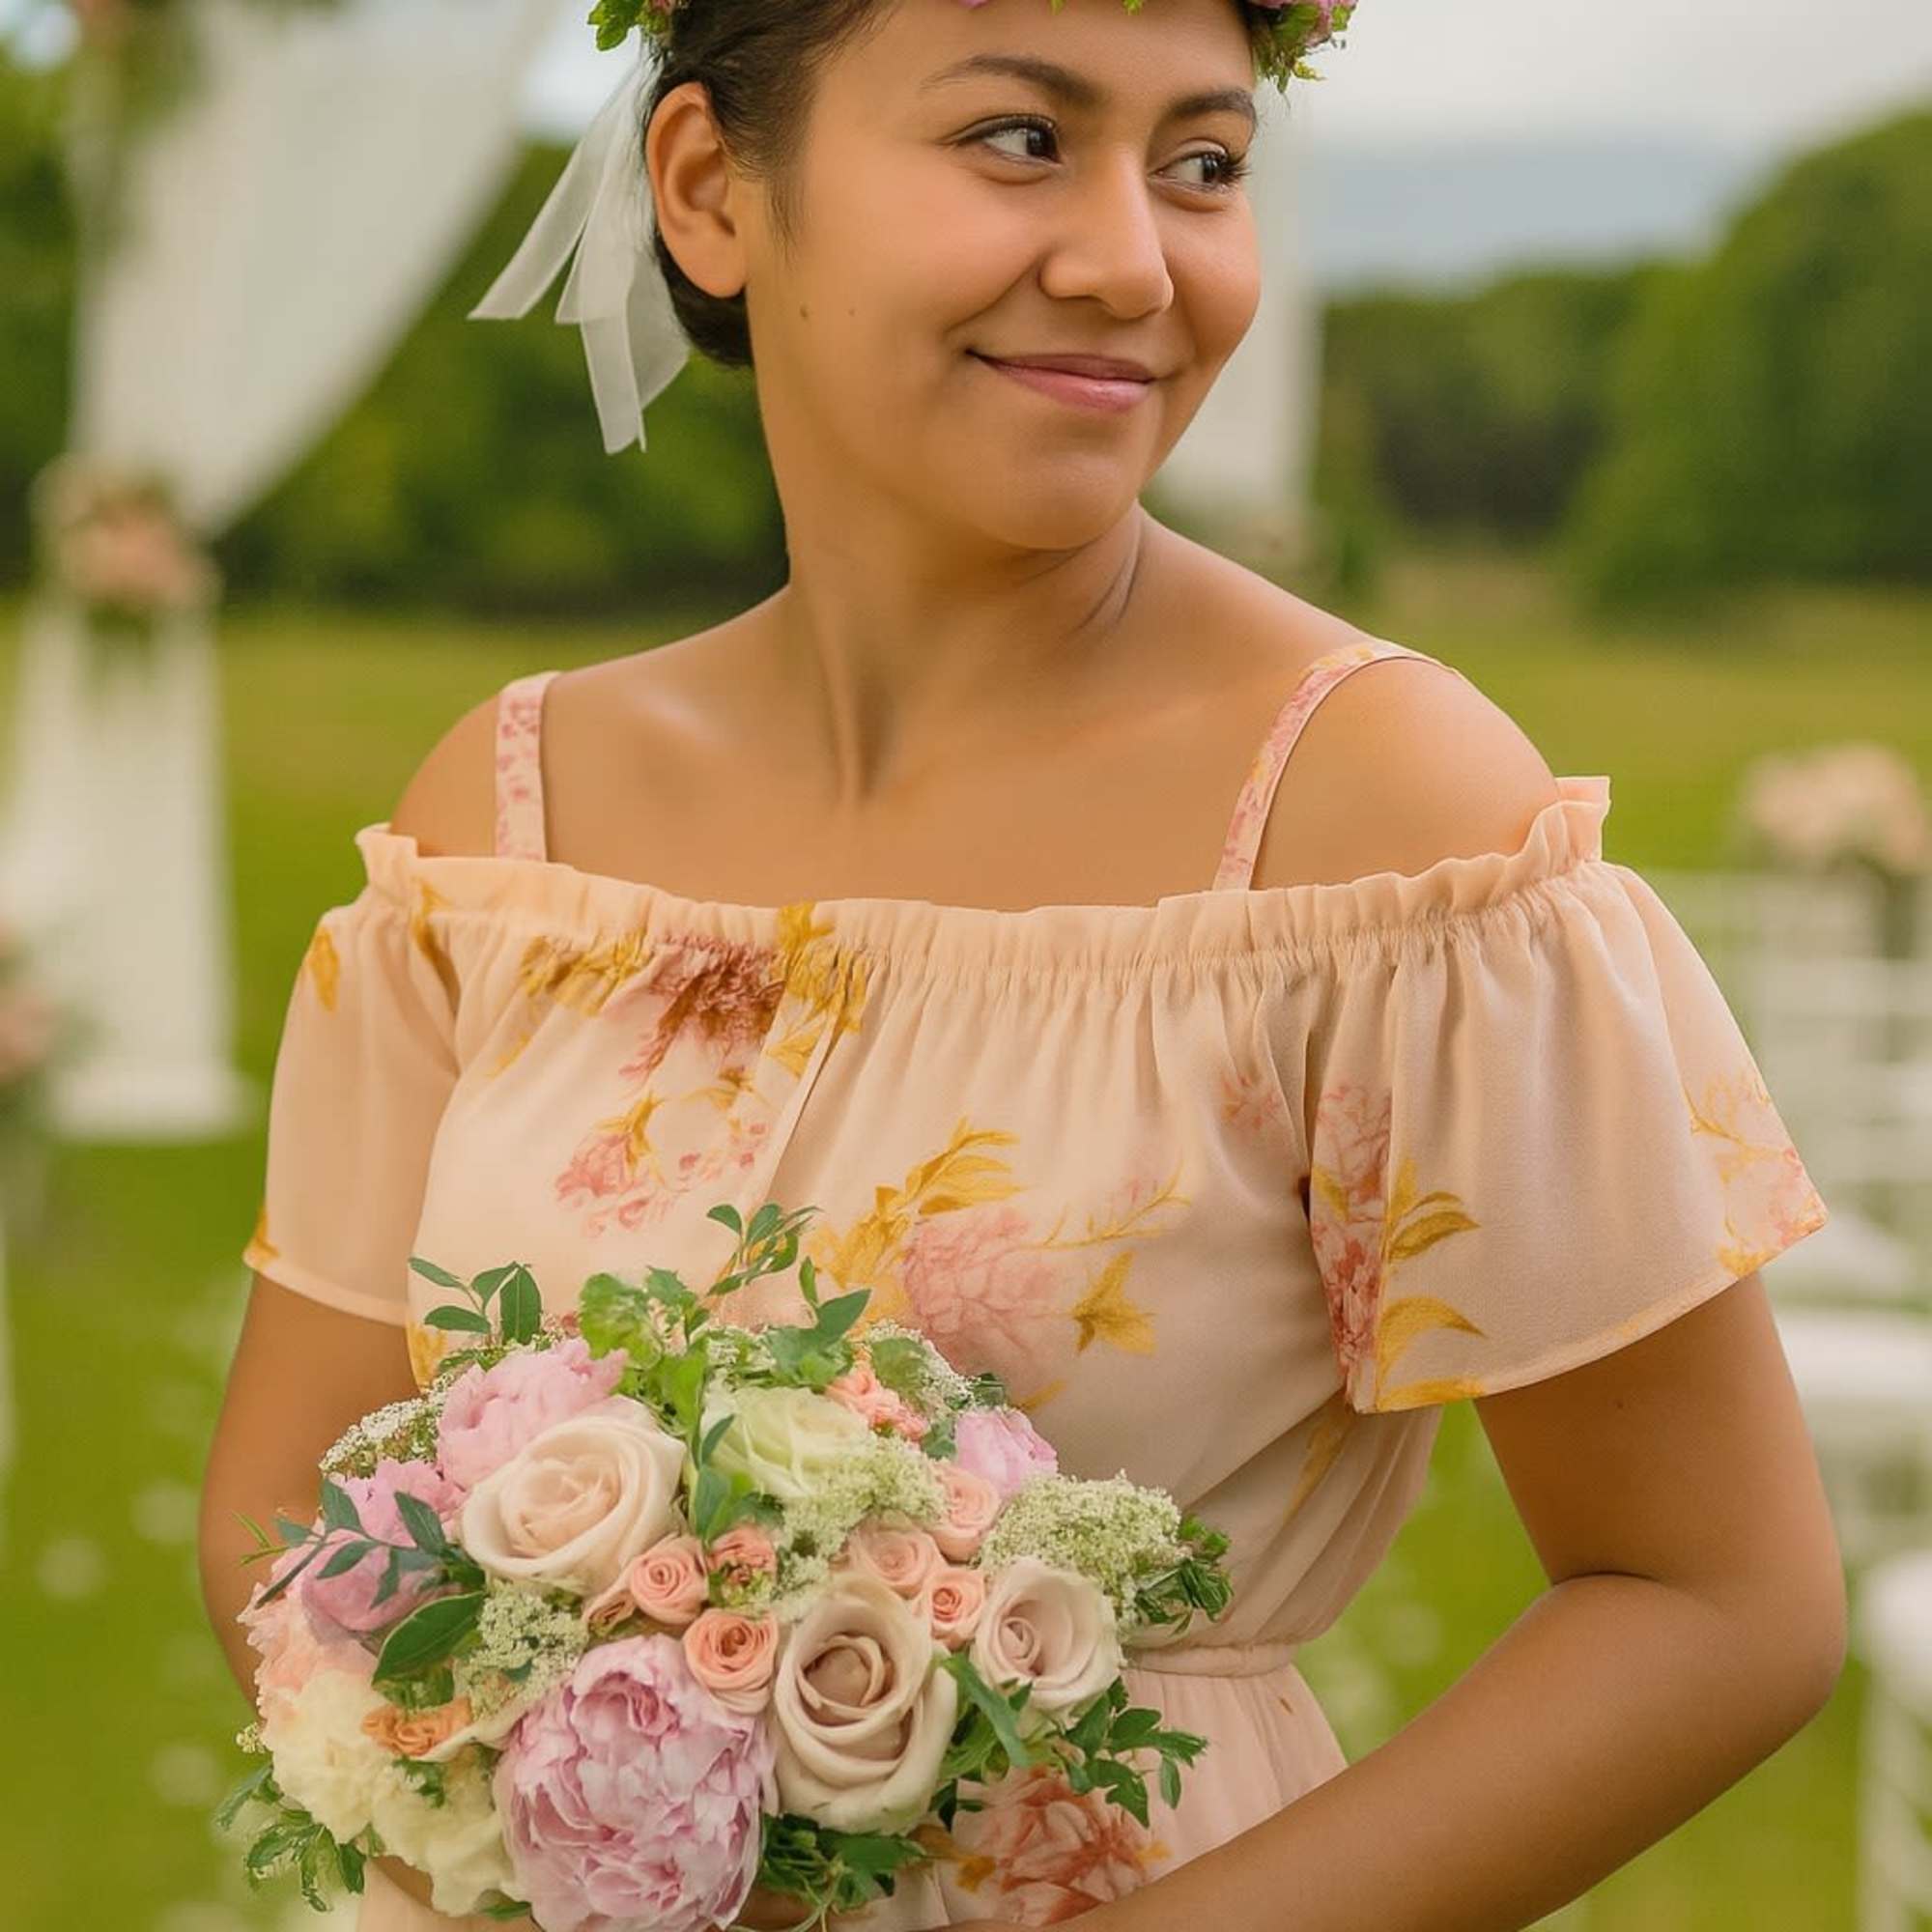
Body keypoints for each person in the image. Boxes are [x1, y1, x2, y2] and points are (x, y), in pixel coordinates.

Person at [198, 0, 1850, 1923]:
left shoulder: (1380, 827)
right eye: (1019, 139)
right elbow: (287, 1506)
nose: (1134, 261)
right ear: (710, 187)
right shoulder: (504, 829)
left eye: (1203, 164)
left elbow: (1709, 1597)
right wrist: (524, 1821)